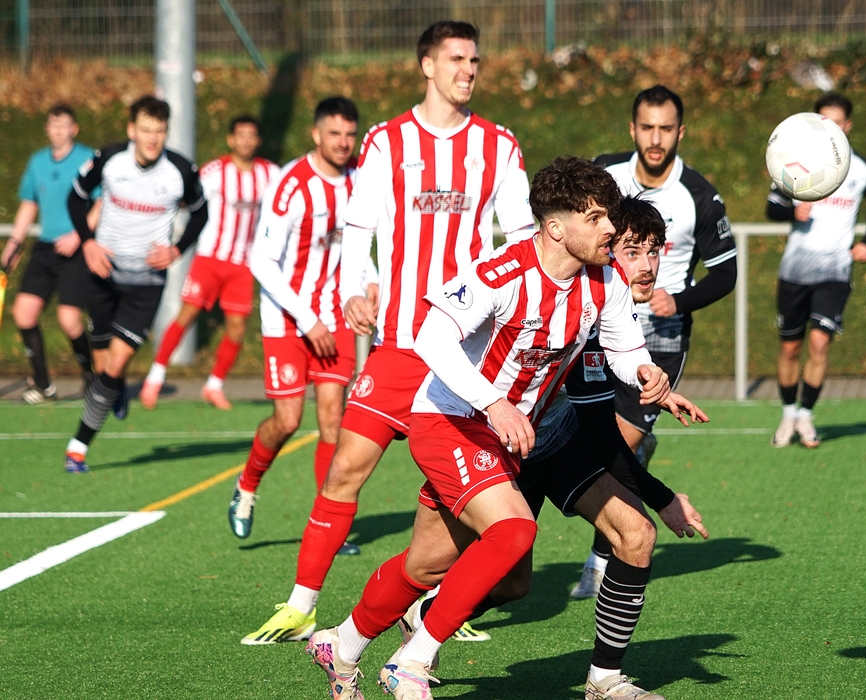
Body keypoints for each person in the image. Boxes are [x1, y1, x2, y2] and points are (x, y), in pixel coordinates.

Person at [301, 156, 681, 700]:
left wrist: (644, 370)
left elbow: (624, 346)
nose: (610, 229)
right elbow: (431, 338)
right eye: (596, 218)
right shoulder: (501, 272)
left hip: (509, 435)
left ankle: (341, 643)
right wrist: (496, 403)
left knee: (425, 567)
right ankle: (412, 662)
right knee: (515, 530)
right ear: (556, 228)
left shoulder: (604, 280)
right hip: (451, 420)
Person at [240, 20, 534, 646]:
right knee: (346, 467)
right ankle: (301, 605)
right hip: (400, 343)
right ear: (427, 65)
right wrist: (353, 286)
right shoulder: (386, 140)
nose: (468, 69)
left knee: (458, 496)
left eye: (475, 60)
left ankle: (436, 606)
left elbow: (522, 241)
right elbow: (359, 226)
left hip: (465, 355)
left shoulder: (499, 145)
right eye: (456, 58)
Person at [572, 85, 737, 598]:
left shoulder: (699, 195)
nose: (656, 138)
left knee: (619, 445)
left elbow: (726, 273)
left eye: (666, 128)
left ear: (680, 132)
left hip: (660, 339)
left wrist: (678, 301)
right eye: (647, 127)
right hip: (598, 326)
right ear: (633, 129)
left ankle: (602, 557)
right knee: (591, 440)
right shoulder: (606, 176)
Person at [226, 97, 366, 540]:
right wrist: (308, 320)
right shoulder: (291, 184)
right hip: (288, 316)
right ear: (316, 134)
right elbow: (261, 260)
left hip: (335, 314)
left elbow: (358, 245)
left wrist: (372, 282)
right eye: (334, 134)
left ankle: (327, 526)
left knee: (332, 419)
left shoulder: (360, 179)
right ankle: (247, 485)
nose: (343, 143)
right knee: (287, 420)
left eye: (350, 134)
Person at [63, 95, 207, 474]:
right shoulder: (109, 159)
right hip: (103, 273)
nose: (153, 138)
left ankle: (78, 447)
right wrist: (88, 243)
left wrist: (176, 250)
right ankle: (114, 386)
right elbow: (75, 199)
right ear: (132, 130)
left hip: (146, 283)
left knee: (115, 362)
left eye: (160, 131)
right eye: (146, 130)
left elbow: (201, 212)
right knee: (103, 366)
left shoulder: (180, 170)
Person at [767, 92, 866, 448]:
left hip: (835, 270)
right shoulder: (793, 161)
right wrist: (793, 212)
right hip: (795, 269)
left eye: (836, 122)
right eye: (823, 122)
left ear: (847, 126)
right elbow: (772, 208)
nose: (829, 128)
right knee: (790, 348)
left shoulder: (862, 169)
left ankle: (806, 416)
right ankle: (787, 414)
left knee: (819, 344)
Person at [139, 116, 278, 410]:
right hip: (210, 258)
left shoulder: (269, 173)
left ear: (258, 141)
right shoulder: (216, 171)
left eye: (251, 135)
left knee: (237, 327)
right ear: (231, 139)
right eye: (241, 135)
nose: (246, 141)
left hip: (242, 264)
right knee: (187, 314)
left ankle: (214, 385)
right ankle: (155, 377)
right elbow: (187, 198)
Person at [0, 104, 98, 404]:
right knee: (23, 312)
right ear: (47, 128)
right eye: (53, 125)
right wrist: (14, 245)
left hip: (77, 248)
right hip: (45, 248)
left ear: (74, 129)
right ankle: (43, 385)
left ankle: (90, 377)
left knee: (69, 319)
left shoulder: (87, 159)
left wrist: (79, 236)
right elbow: (29, 204)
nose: (58, 131)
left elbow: (102, 202)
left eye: (64, 125)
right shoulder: (38, 162)